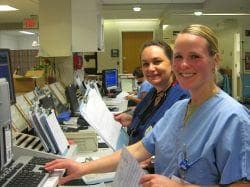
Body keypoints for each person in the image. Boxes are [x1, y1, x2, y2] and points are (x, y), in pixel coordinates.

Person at [45, 25, 250, 186]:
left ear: (215, 60)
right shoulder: (178, 110)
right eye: (178, 57)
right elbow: (139, 149)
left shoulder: (233, 118)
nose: (184, 65)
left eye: (194, 56)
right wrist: (83, 168)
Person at [114, 40, 189, 145]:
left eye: (157, 62)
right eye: (145, 64)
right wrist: (131, 120)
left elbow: (173, 142)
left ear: (172, 64)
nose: (150, 68)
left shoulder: (183, 97)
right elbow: (151, 121)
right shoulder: (154, 92)